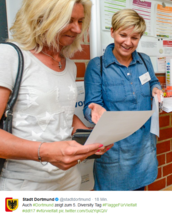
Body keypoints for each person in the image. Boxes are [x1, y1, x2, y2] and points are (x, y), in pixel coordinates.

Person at [0, 0, 112, 191]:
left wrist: (88, 136)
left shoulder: (69, 65)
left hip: (68, 180)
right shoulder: (9, 56)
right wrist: (45, 152)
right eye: (69, 20)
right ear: (42, 19)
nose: (77, 29)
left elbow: (61, 114)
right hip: (25, 184)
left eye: (80, 21)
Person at [83, 9, 162, 191]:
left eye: (134, 37)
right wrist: (93, 111)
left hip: (143, 147)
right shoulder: (98, 66)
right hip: (114, 151)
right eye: (123, 35)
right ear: (112, 32)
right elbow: (90, 106)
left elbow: (153, 81)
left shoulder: (144, 60)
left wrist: (156, 88)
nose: (128, 42)